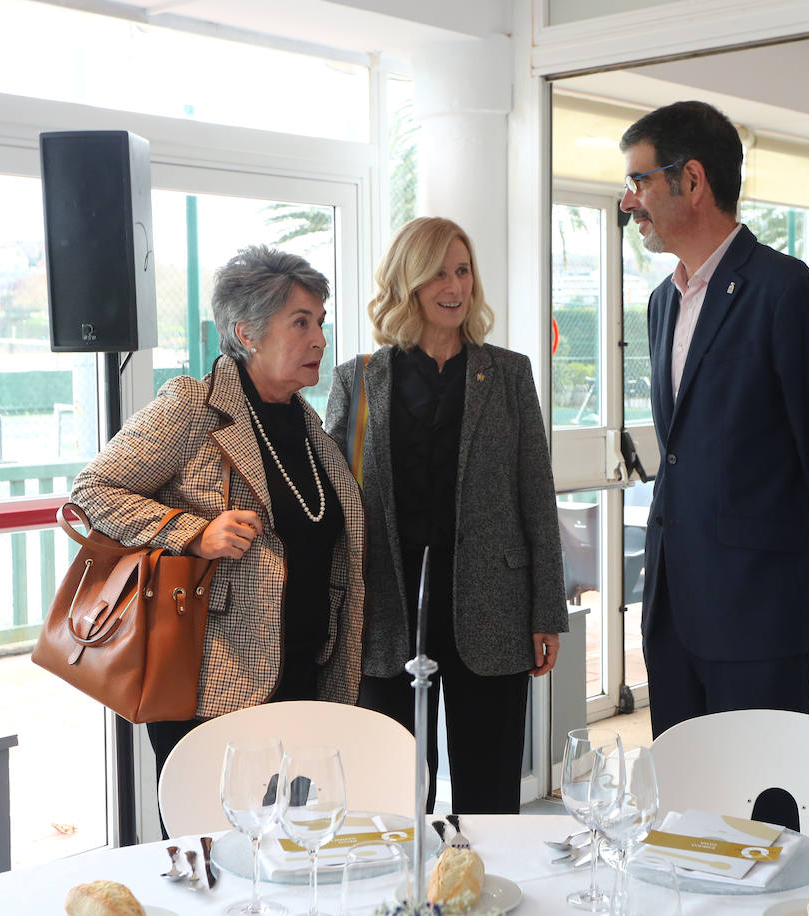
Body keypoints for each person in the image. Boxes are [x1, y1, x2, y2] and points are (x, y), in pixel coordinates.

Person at [620, 101, 809, 740]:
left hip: (764, 618)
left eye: (641, 181)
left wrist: (807, 585)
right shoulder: (660, 304)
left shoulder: (787, 294)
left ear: (694, 181)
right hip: (674, 615)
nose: (631, 202)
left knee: (761, 824)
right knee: (685, 819)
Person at [72, 244, 366, 783]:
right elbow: (93, 490)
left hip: (303, 677)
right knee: (207, 853)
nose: (320, 339)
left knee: (288, 847)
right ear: (247, 333)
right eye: (300, 323)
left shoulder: (308, 427)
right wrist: (194, 533)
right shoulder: (192, 406)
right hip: (209, 684)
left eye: (320, 322)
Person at [325, 216, 567, 814]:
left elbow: (537, 495)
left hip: (493, 605)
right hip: (387, 608)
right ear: (408, 281)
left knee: (490, 791)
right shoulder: (357, 380)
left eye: (463, 270)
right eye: (437, 271)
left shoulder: (508, 374)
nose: (454, 285)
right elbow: (334, 503)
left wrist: (547, 612)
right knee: (392, 792)